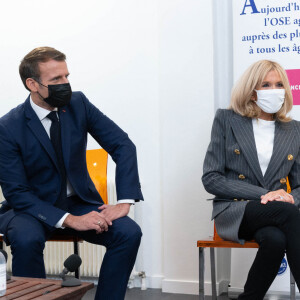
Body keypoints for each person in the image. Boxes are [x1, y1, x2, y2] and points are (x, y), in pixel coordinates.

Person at [0, 47, 143, 300]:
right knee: (26, 239)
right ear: (32, 84)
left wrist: (124, 201)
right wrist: (69, 219)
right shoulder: (8, 127)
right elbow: (18, 193)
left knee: (128, 233)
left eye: (66, 76)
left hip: (78, 202)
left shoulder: (78, 104)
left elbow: (123, 145)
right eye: (56, 79)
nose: (65, 84)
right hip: (30, 208)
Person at [202, 60, 300, 299]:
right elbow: (211, 178)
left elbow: (298, 185)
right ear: (251, 90)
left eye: (278, 84)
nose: (273, 90)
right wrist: (263, 194)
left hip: (276, 212)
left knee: (276, 240)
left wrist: (287, 195)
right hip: (235, 210)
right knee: (287, 213)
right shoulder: (227, 119)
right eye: (265, 84)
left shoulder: (295, 130)